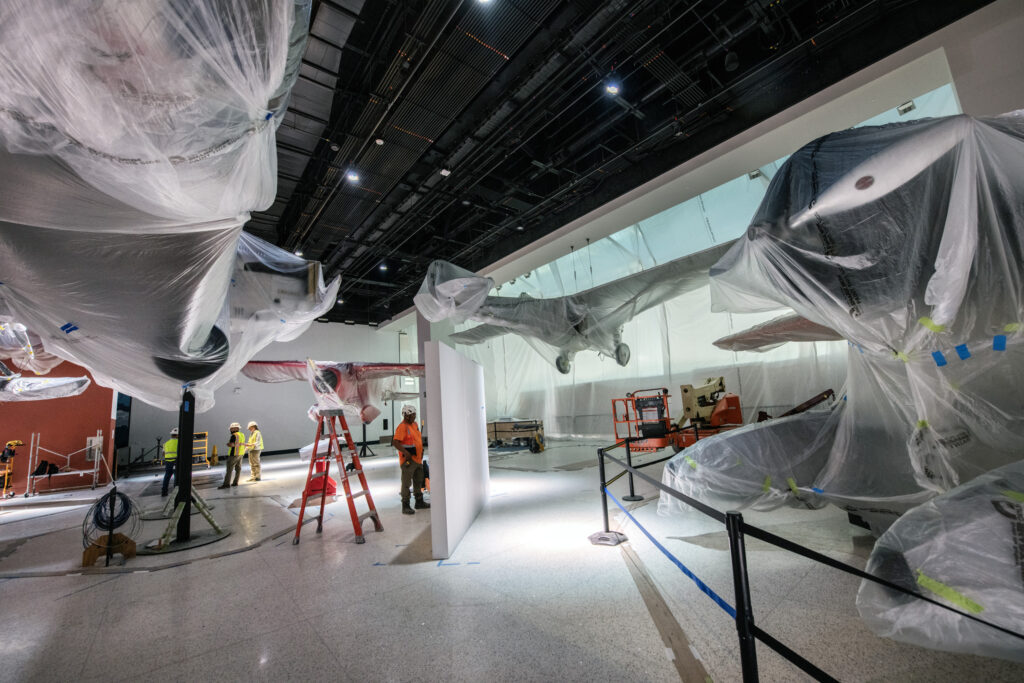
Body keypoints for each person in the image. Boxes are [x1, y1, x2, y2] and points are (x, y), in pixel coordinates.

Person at [391, 404, 429, 515]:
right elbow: (395, 442)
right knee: (406, 483)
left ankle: (419, 502)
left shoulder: (414, 424)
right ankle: (405, 505)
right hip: (408, 461)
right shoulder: (402, 427)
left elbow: (417, 439)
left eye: (415, 415)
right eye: (413, 415)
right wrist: (405, 452)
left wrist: (421, 451)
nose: (414, 417)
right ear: (406, 415)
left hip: (417, 459)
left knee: (418, 481)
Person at [218, 422, 245, 489]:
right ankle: (235, 482)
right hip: (240, 454)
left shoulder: (234, 435)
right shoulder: (242, 434)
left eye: (232, 428)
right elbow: (241, 444)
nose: (230, 430)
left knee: (229, 470)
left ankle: (226, 484)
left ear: (236, 428)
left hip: (233, 454)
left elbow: (232, 444)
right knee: (238, 469)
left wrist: (228, 444)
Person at [160, 428, 179, 497]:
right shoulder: (179, 442)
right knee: (177, 477)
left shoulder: (166, 443)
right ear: (177, 435)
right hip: (176, 461)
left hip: (168, 462)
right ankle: (176, 493)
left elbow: (163, 454)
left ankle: (164, 492)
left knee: (167, 476)